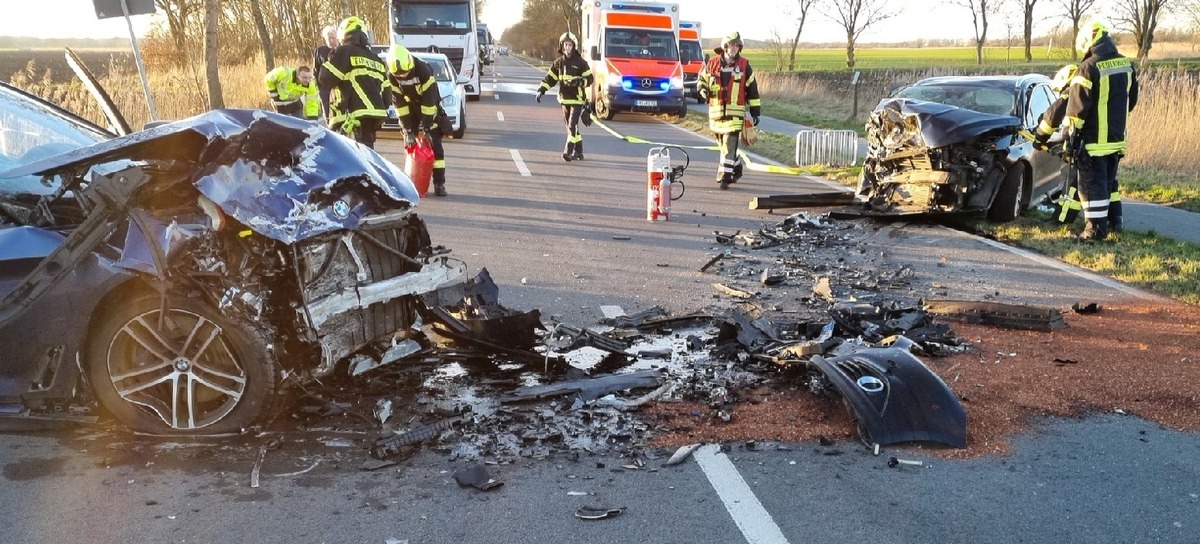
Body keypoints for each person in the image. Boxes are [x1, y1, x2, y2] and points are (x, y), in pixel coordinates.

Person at [1064, 19, 1138, 240]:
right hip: (1116, 140)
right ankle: (1108, 225)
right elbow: (1131, 101)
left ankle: (1094, 232)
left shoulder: (1087, 68)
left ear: (1088, 41)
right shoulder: (1126, 64)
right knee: (1106, 185)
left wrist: (1070, 140)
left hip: (1094, 142)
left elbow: (1076, 110)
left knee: (1091, 188)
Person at [698, 31, 761, 189]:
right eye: (732, 44)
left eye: (737, 45)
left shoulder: (745, 66)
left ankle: (725, 176)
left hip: (735, 114)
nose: (734, 48)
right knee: (723, 146)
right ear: (725, 46)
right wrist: (703, 91)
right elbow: (701, 81)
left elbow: (753, 90)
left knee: (728, 143)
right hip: (716, 113)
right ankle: (737, 164)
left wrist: (755, 112)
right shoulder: (712, 64)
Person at [386, 44, 451, 197]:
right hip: (409, 108)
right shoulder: (391, 75)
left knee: (435, 147)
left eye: (405, 73)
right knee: (411, 147)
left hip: (428, 106)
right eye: (399, 75)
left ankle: (439, 183)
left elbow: (429, 102)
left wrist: (427, 129)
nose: (402, 77)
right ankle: (411, 183)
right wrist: (408, 130)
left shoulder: (423, 70)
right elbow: (399, 105)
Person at [318, 16, 391, 149]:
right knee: (366, 155)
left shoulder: (344, 51)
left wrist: (328, 60)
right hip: (374, 116)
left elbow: (325, 79)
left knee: (347, 160)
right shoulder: (377, 60)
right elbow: (387, 96)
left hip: (350, 117)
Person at [1034, 64, 1083, 225]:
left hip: (1078, 147)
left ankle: (1061, 220)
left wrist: (1039, 139)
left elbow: (1051, 117)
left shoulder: (1070, 94)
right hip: (1098, 147)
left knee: (1071, 186)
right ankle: (1115, 221)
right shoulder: (1088, 93)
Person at [536, 32, 594, 162]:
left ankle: (568, 151)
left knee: (572, 125)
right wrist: (542, 90)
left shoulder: (581, 63)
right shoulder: (559, 63)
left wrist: (578, 81)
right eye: (565, 45)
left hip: (577, 99)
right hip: (564, 99)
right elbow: (550, 78)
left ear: (574, 46)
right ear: (562, 46)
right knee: (570, 125)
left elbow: (590, 79)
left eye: (570, 45)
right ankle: (579, 152)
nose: (567, 48)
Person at [313, 25, 339, 121]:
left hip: (340, 87)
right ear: (325, 39)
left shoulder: (342, 50)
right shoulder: (320, 51)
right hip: (324, 88)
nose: (332, 40)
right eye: (329, 38)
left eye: (333, 38)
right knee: (327, 113)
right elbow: (316, 69)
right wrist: (318, 86)